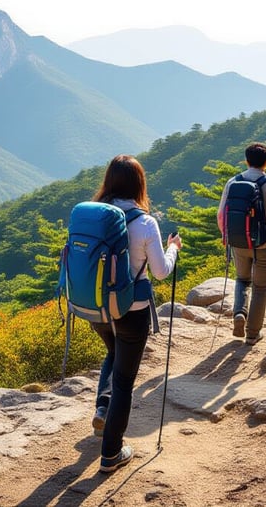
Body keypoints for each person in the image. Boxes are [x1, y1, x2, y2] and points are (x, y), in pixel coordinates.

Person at [90, 154, 181, 473]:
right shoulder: (145, 223)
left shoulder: (94, 215)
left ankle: (102, 408)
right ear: (139, 184)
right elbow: (161, 272)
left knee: (113, 354)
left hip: (98, 309)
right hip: (132, 311)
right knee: (125, 383)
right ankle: (111, 454)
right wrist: (173, 248)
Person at [216, 142, 266, 345]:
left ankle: (239, 313)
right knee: (260, 288)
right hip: (264, 245)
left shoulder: (232, 182)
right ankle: (252, 334)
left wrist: (227, 237)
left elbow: (221, 215)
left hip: (238, 243)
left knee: (242, 280)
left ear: (246, 161)